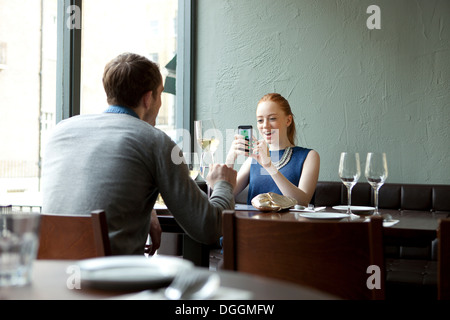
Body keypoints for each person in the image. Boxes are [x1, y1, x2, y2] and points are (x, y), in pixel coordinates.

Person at [42, 53, 237, 256]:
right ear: (147, 98)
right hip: (108, 280)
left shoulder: (60, 131)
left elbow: (86, 192)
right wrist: (224, 184)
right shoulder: (157, 142)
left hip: (48, 273)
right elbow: (208, 228)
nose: (160, 102)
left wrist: (144, 208)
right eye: (160, 94)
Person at [226, 93, 320, 206]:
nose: (265, 125)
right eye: (260, 120)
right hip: (252, 223)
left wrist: (269, 166)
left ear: (288, 120)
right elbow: (225, 195)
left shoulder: (309, 156)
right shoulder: (253, 159)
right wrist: (230, 159)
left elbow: (302, 202)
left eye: (272, 118)